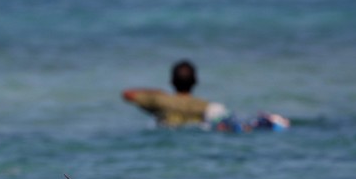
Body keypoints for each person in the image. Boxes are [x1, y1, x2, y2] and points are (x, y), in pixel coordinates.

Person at [122, 60, 290, 131]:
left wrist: (156, 93)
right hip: (205, 121)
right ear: (195, 81)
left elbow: (127, 94)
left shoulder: (161, 101)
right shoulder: (203, 105)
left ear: (171, 80)